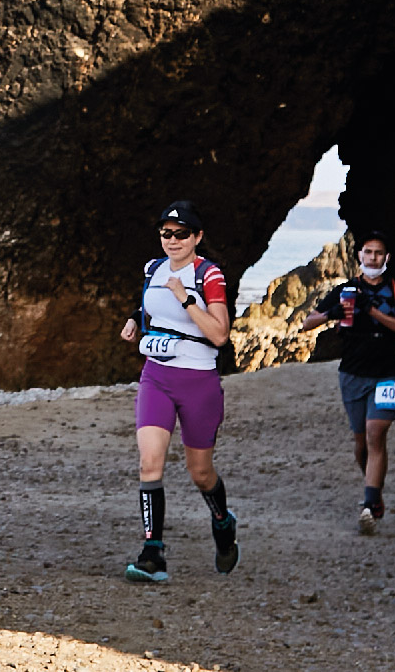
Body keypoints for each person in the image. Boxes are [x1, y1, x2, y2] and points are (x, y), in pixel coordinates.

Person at [117, 200, 239, 583]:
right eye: (166, 233)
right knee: (149, 464)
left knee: (200, 473)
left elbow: (220, 334)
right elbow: (150, 310)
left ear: (197, 237)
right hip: (157, 376)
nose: (172, 240)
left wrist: (186, 298)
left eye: (181, 234)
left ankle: (221, 519)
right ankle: (153, 553)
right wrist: (135, 322)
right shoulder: (153, 269)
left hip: (198, 382)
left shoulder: (209, 275)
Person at [300, 231, 395, 534]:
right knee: (361, 443)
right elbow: (306, 323)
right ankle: (373, 487)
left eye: (379, 253)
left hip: (388, 373)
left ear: (386, 258)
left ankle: (369, 503)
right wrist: (333, 313)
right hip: (352, 374)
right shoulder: (345, 289)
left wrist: (373, 311)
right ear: (359, 256)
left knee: (376, 432)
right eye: (368, 252)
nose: (373, 258)